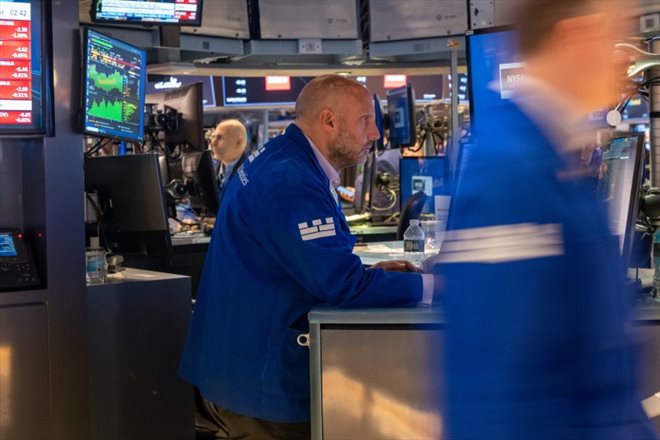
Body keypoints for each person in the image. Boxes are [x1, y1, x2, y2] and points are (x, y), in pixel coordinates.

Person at [428, 1, 658, 438]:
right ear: (576, 37)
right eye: (615, 38)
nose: (626, 57)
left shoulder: (551, 155)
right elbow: (502, 389)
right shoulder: (509, 170)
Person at [179, 75, 435, 439]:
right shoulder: (291, 178)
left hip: (238, 366)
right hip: (263, 380)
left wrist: (367, 272)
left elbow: (303, 263)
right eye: (365, 120)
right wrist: (435, 285)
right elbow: (342, 285)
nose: (376, 133)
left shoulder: (282, 157)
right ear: (329, 120)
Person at [209, 119, 249, 192]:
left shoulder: (254, 174)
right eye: (213, 137)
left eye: (219, 137)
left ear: (238, 143)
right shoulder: (211, 172)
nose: (213, 143)